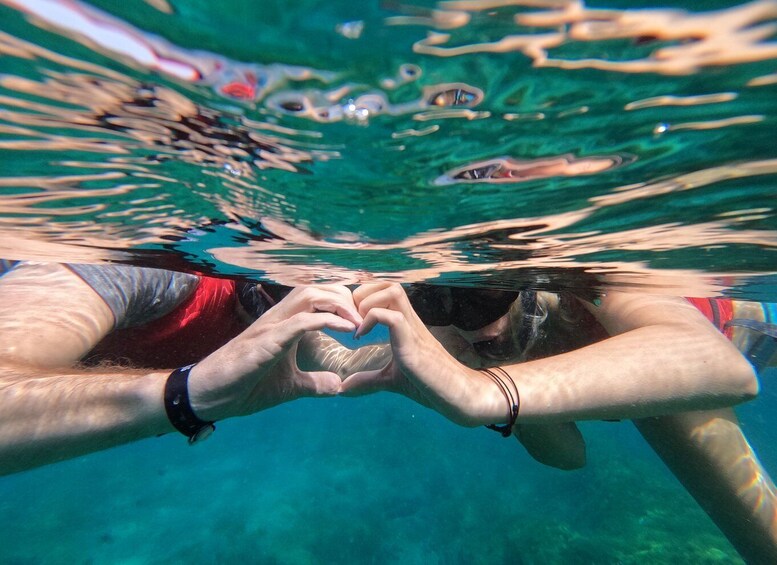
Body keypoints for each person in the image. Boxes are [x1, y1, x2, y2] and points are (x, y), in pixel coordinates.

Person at [339, 282, 776, 564]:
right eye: (432, 301)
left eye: (482, 293)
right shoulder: (473, 333)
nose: (463, 319)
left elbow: (725, 369)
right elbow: (568, 455)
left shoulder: (594, 275)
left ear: (529, 275)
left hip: (724, 341)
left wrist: (488, 390)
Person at [0, 261, 363, 475]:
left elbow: (345, 366)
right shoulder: (141, 268)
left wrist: (417, 352)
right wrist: (184, 395)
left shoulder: (274, 312)